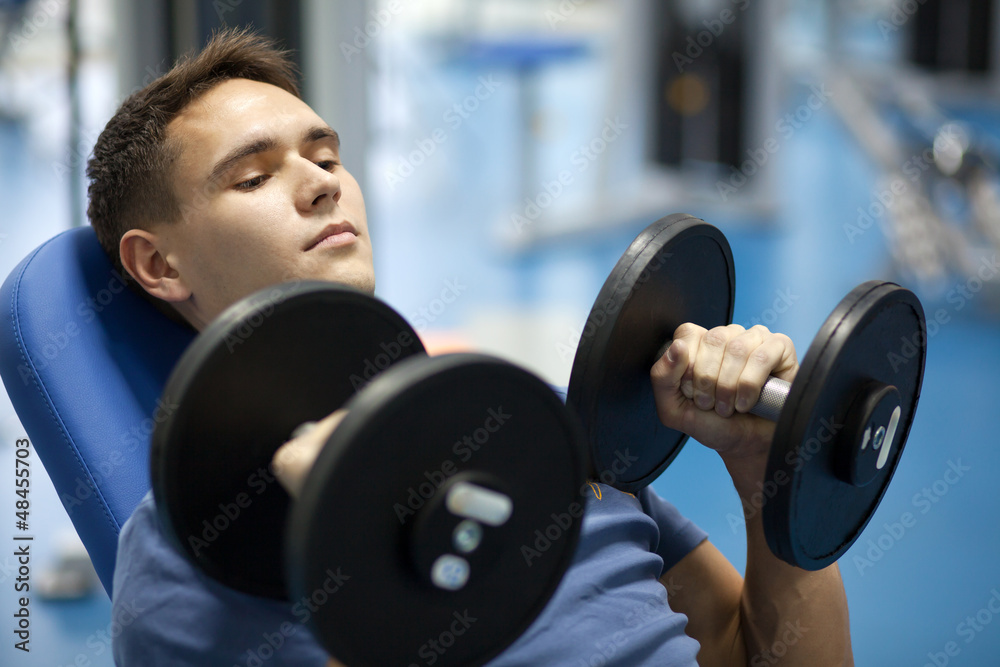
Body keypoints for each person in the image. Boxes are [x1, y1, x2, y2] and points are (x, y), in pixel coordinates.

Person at [89, 28, 853, 666]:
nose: (323, 184)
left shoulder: (521, 417)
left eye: (326, 158)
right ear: (159, 264)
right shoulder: (189, 561)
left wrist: (769, 471)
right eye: (254, 176)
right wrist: (363, 556)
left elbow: (739, 648)